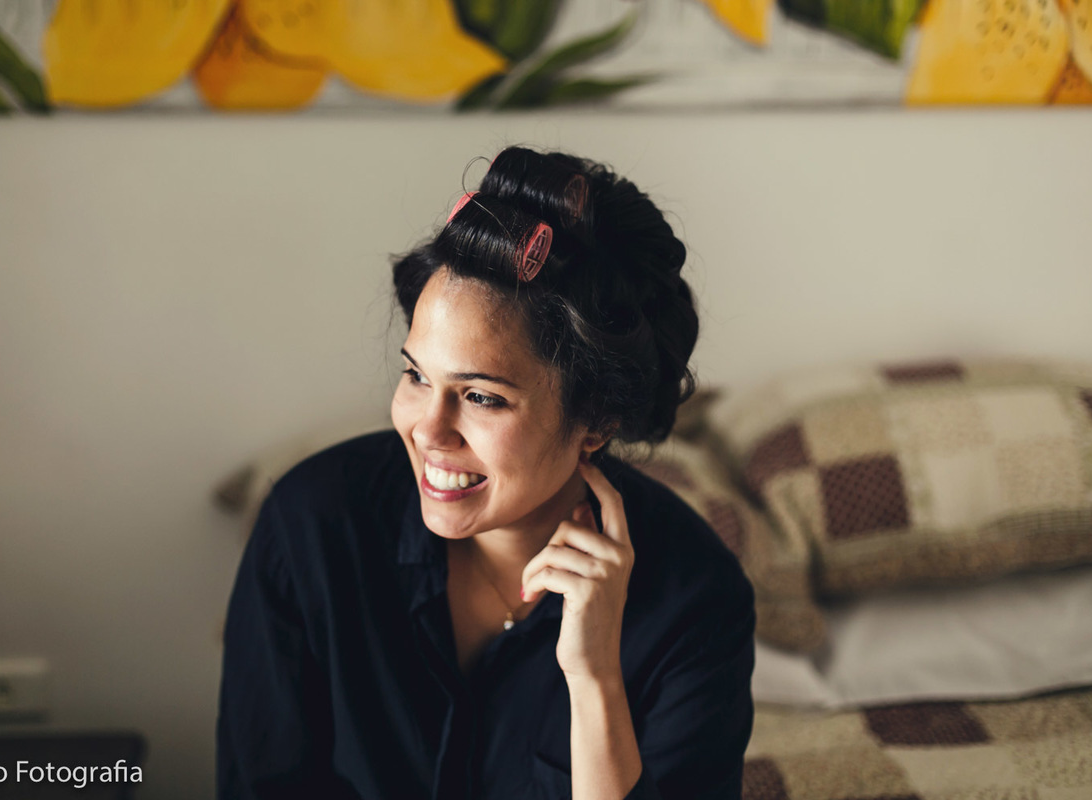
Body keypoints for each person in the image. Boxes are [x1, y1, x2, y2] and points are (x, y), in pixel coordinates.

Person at [217, 147, 755, 800]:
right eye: (416, 375)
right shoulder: (311, 529)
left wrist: (594, 683)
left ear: (597, 422)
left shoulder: (692, 598)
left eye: (481, 396)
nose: (428, 430)